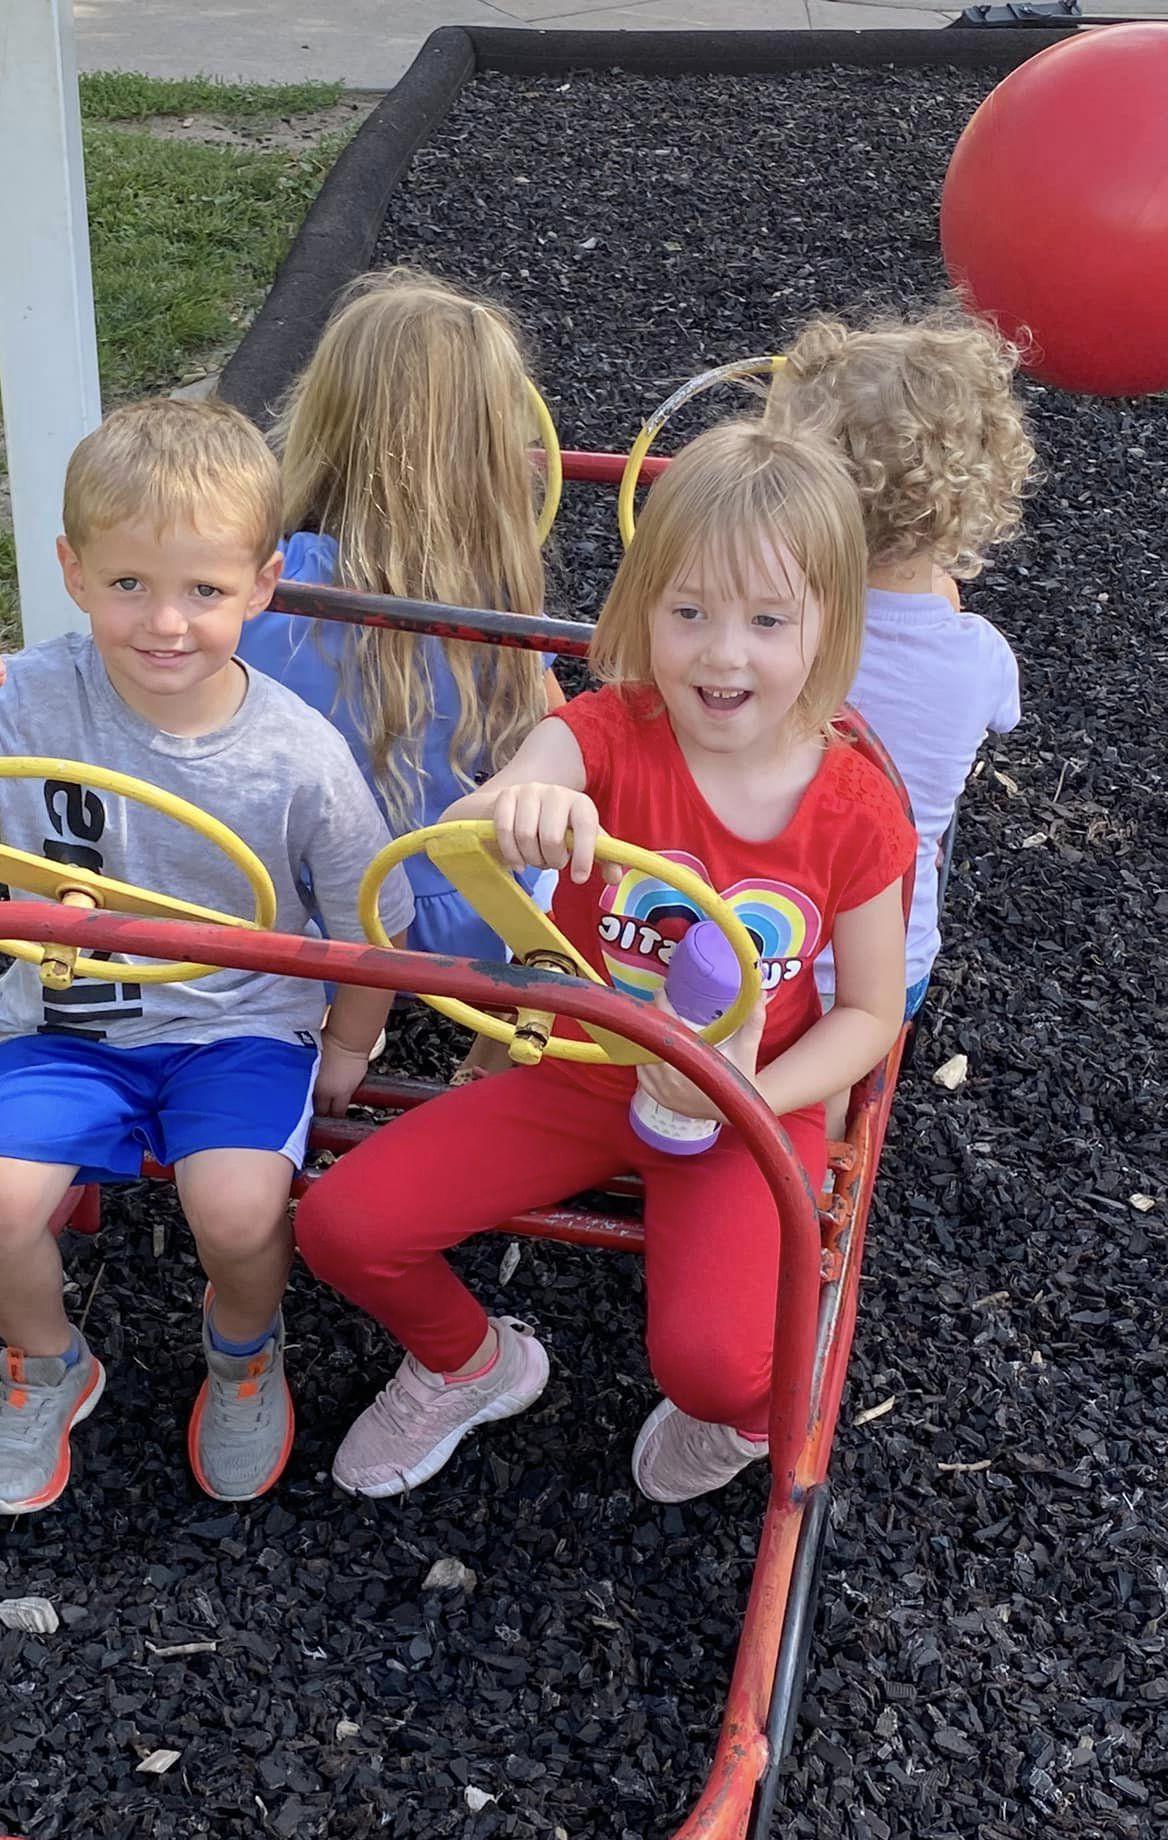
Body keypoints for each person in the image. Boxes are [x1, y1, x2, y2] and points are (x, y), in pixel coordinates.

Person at [295, 421, 916, 1506]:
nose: (724, 654)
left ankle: (734, 1420)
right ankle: (471, 1361)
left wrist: (747, 1093)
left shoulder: (854, 809)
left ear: (829, 627)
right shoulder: (609, 733)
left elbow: (868, 1011)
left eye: (768, 620)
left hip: (745, 1098)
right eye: (689, 613)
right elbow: (514, 793)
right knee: (343, 1222)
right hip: (582, 1060)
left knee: (720, 1371)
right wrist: (519, 801)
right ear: (643, 613)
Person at [0, 397, 413, 1514]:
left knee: (238, 1208)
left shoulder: (299, 754)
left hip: (238, 1023)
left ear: (263, 583)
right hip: (69, 1018)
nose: (166, 622)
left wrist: (354, 1037)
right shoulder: (28, 700)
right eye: (130, 585)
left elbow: (363, 916)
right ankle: (49, 1361)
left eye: (205, 590)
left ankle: (245, 1349)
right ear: (73, 568)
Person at [236, 268, 563, 1074]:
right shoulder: (495, 598)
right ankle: (502, 1053)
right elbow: (553, 732)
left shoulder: (266, 587)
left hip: (297, 918)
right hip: (472, 915)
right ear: (492, 448)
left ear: (323, 416)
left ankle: (318, 1026)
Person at [764, 305, 1036, 1017]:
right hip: (879, 975)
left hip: (733, 946)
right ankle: (827, 1108)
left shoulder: (761, 630)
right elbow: (1000, 719)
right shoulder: (980, 659)